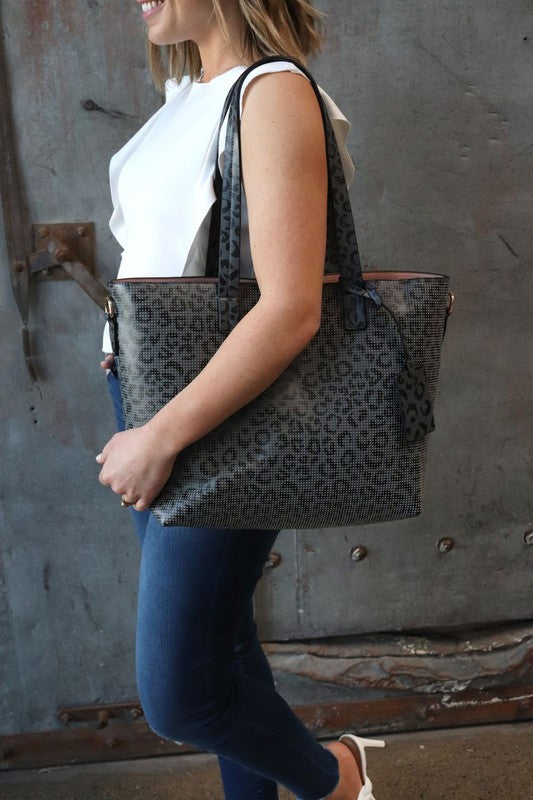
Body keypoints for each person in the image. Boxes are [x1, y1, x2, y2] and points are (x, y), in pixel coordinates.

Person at [95, 2, 385, 798]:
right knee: (222, 651)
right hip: (151, 401)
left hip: (213, 420)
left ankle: (338, 778)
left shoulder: (272, 92)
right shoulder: (189, 94)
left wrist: (160, 436)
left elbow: (290, 309)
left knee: (181, 694)